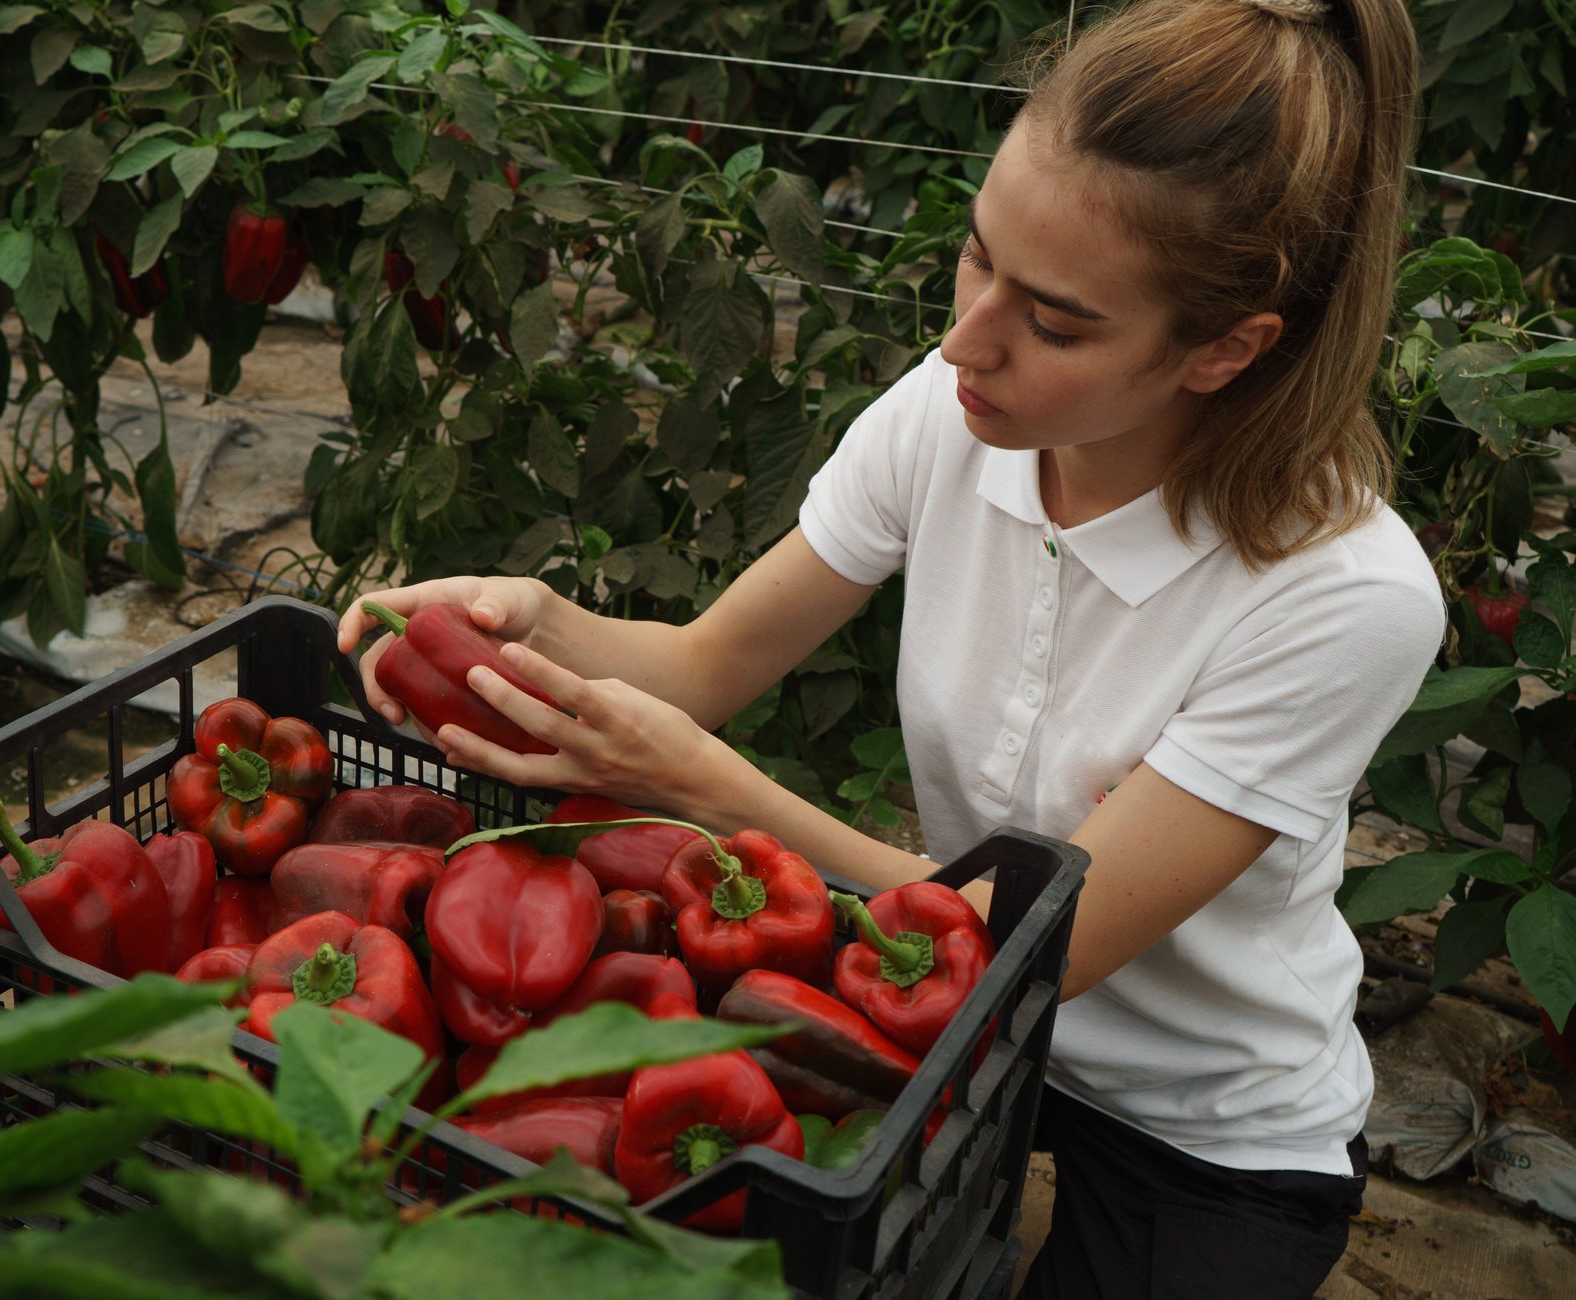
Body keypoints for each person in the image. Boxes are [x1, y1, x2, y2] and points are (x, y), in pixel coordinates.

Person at [337, 0, 1442, 1294]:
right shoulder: (952, 412)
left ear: (1224, 350)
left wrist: (702, 785)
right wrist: (536, 621)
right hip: (926, 1048)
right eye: (976, 261)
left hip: (1193, 1127)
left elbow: (1023, 946)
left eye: (1055, 320)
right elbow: (705, 664)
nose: (963, 338)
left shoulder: (1341, 594)